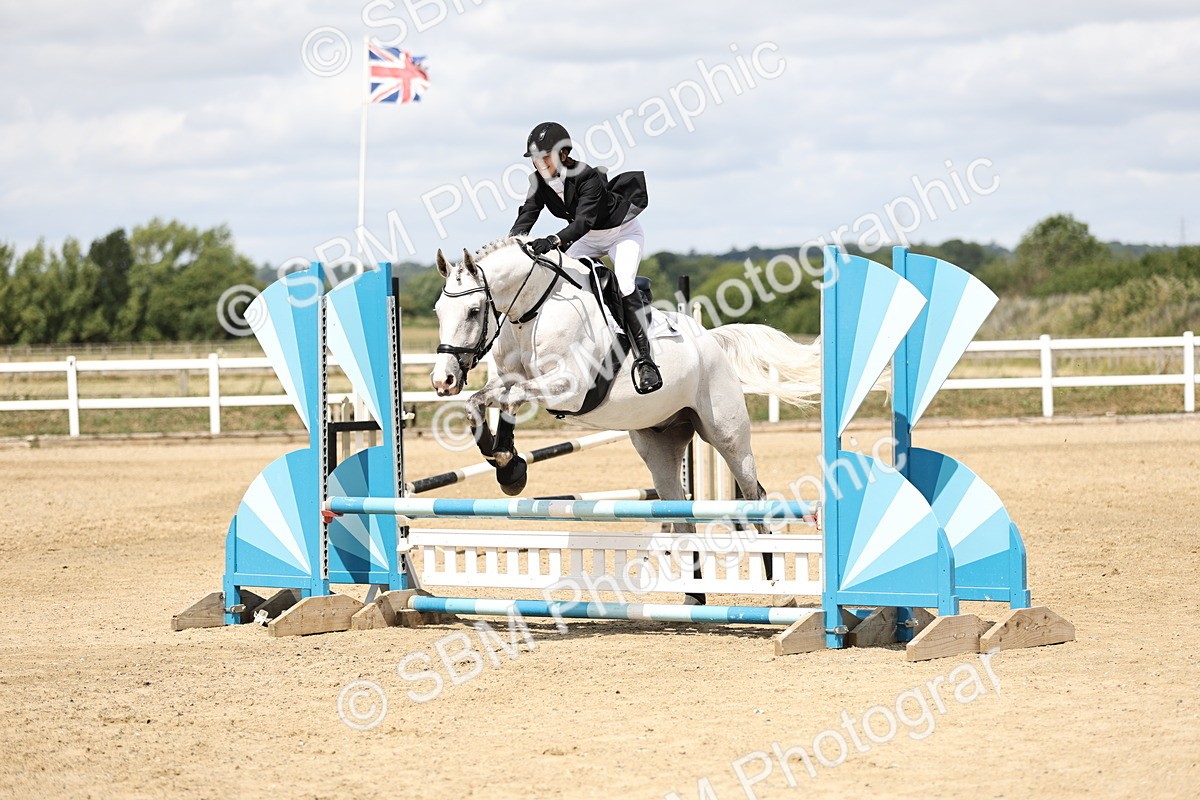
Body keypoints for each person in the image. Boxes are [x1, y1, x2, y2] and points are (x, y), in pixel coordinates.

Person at [508, 121, 662, 394]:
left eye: (544, 158)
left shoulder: (586, 176)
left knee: (624, 284)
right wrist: (512, 245)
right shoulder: (538, 182)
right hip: (586, 240)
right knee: (566, 281)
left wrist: (554, 240)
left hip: (621, 232)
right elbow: (528, 213)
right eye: (535, 159)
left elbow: (584, 221)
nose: (538, 164)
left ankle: (645, 360)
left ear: (563, 155)